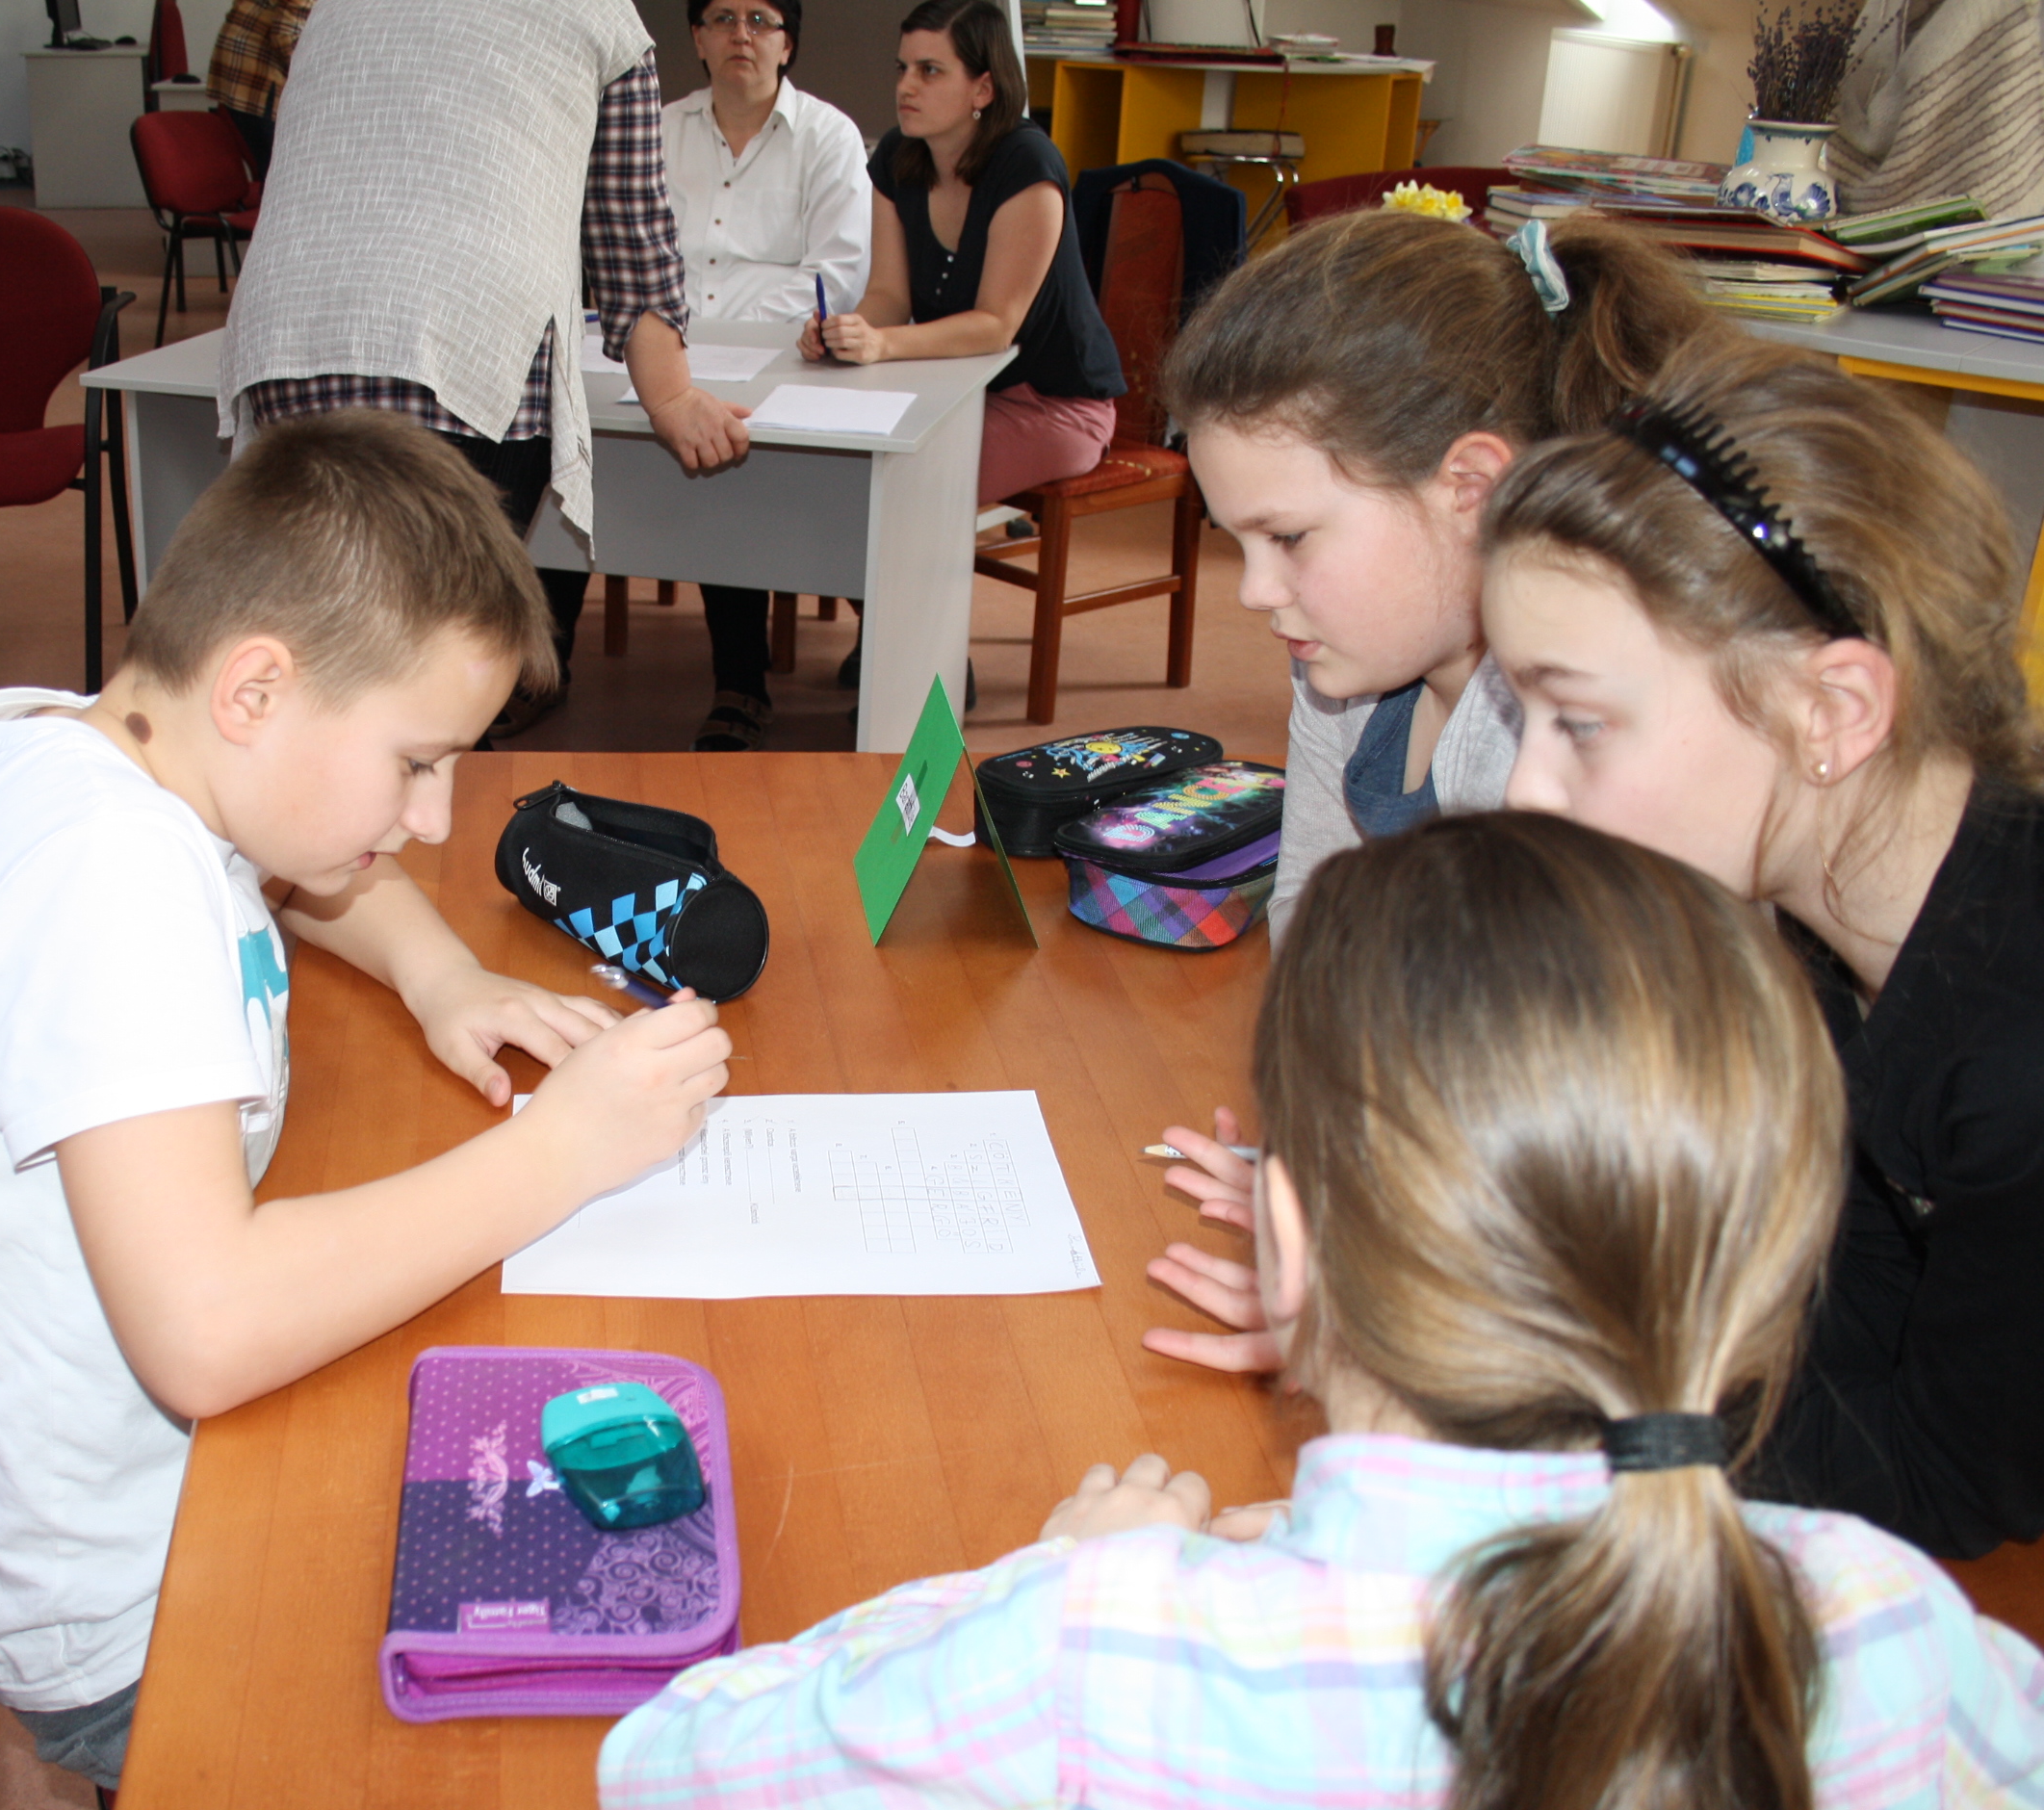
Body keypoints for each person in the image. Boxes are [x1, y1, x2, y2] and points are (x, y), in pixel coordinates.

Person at [599, 812, 2044, 1806]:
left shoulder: (1100, 1652)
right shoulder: (1892, 1625)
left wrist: (1047, 1576)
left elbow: (663, 1765)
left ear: (1281, 1241)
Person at [0, 411, 734, 1794]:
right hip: (151, 1608)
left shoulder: (130, 755)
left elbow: (297, 866)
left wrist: (441, 976)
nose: (434, 820)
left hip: (184, 1485)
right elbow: (208, 1330)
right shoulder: (101, 883)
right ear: (254, 691)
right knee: (636, 1715)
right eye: (415, 762)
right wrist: (565, 1151)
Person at [1478, 332, 2044, 1561]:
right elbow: (1849, 1313)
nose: (1525, 788)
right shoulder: (1839, 922)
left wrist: (1549, 1379)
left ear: (1828, 710)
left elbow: (1949, 1476)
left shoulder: (2012, 1058)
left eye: (1579, 721)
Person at [1155, 206, 1724, 934]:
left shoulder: (1572, 738)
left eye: (1290, 537)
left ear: (1472, 490)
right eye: (1239, 540)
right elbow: (1312, 912)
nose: (1254, 591)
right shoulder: (1340, 667)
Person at [220, 0, 750, 742]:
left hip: (291, 334)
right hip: (466, 347)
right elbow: (629, 232)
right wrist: (672, 396)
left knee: (319, 644)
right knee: (431, 671)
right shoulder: (602, 16)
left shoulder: (333, 5)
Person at [800, 0, 1123, 702]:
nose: (905, 86)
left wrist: (882, 344)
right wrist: (846, 330)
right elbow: (889, 295)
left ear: (983, 87)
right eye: (902, 68)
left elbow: (996, 325)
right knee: (847, 470)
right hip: (956, 390)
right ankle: (899, 638)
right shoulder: (898, 157)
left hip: (1052, 404)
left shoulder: (1028, 165)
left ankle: (931, 670)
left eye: (930, 71)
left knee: (906, 485)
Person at [661, 0, 870, 751]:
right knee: (573, 435)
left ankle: (742, 683)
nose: (740, 34)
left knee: (734, 460)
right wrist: (677, 336)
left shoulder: (828, 135)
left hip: (788, 360)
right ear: (697, 38)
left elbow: (838, 275)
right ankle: (541, 663)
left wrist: (722, 328)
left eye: (760, 18)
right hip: (666, 352)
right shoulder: (659, 130)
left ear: (788, 42)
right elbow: (625, 253)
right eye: (722, 17)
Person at [202, 0, 309, 172]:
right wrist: (318, 74)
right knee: (280, 170)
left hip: (239, 69)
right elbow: (285, 38)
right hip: (257, 81)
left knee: (270, 166)